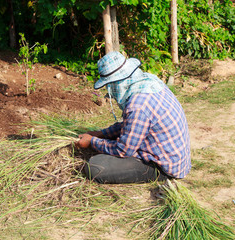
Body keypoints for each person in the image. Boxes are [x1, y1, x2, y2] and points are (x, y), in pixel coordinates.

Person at [76, 51, 191, 184]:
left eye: (109, 86)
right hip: (173, 155)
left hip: (164, 165)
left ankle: (159, 175)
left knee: (95, 167)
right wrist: (100, 134)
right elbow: (131, 125)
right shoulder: (148, 81)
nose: (110, 92)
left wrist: (92, 141)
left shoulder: (138, 105)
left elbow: (122, 150)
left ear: (116, 83)